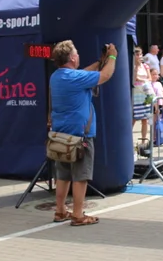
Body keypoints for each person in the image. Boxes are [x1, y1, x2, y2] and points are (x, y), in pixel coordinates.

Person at [48, 40, 116, 225]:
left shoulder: (57, 76)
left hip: (60, 135)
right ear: (71, 57)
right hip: (80, 136)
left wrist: (99, 61)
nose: (78, 56)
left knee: (63, 175)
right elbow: (105, 75)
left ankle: (60, 210)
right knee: (80, 176)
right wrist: (112, 57)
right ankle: (78, 215)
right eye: (76, 53)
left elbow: (82, 74)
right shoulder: (74, 78)